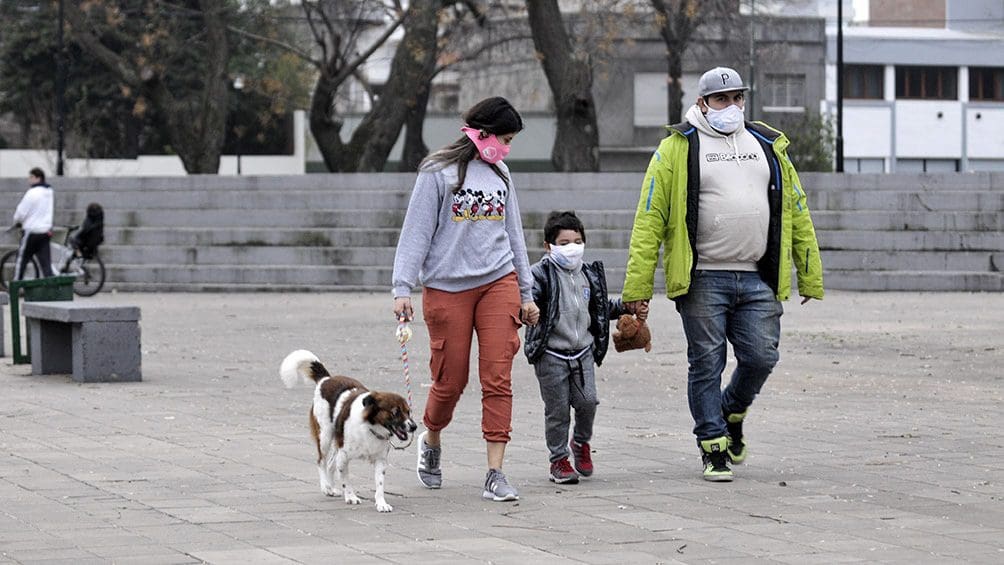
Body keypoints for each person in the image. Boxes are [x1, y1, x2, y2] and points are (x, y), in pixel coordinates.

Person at [621, 66, 824, 482]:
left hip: (757, 276)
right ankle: (712, 445)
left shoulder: (767, 144)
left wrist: (809, 272)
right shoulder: (677, 148)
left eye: (737, 98)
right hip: (703, 280)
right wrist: (637, 289)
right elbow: (649, 219)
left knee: (761, 356)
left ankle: (732, 408)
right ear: (702, 103)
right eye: (721, 99)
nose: (731, 107)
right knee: (706, 363)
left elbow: (795, 209)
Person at [392, 96, 540, 502]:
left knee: (498, 377)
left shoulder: (501, 174)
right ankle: (432, 440)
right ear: (483, 133)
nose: (506, 148)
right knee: (451, 379)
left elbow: (515, 237)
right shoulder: (436, 172)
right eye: (504, 139)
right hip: (446, 287)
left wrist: (526, 293)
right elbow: (417, 231)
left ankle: (495, 472)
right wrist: (402, 286)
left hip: (498, 281)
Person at [523, 210, 645, 484]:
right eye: (564, 243)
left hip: (582, 353)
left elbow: (600, 308)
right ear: (549, 246)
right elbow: (528, 300)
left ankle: (580, 442)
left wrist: (628, 306)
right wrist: (527, 310)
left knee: (588, 402)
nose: (572, 248)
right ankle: (559, 460)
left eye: (577, 241)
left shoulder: (587, 274)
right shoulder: (539, 274)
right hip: (551, 354)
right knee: (557, 411)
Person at [12, 167, 55, 280]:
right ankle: (52, 290)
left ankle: (16, 286)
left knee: (21, 261)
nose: (29, 180)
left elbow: (21, 213)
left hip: (31, 232)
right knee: (46, 265)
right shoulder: (49, 192)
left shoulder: (32, 193)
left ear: (38, 178)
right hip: (45, 232)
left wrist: (17, 221)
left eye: (31, 177)